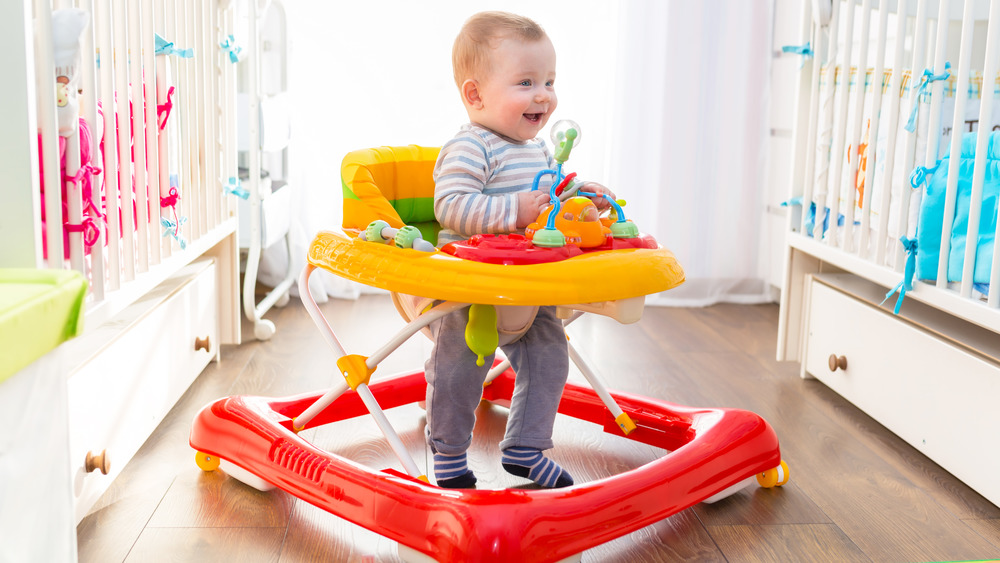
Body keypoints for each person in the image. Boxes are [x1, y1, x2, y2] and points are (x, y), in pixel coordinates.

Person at [425, 11, 614, 489]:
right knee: (460, 369)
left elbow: (550, 200)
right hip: (471, 290)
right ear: (475, 95)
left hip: (528, 285)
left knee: (550, 359)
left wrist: (578, 196)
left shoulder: (539, 151)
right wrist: (513, 210)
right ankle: (447, 452)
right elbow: (450, 206)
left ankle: (527, 449)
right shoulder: (471, 147)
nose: (543, 95)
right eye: (526, 81)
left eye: (549, 81)